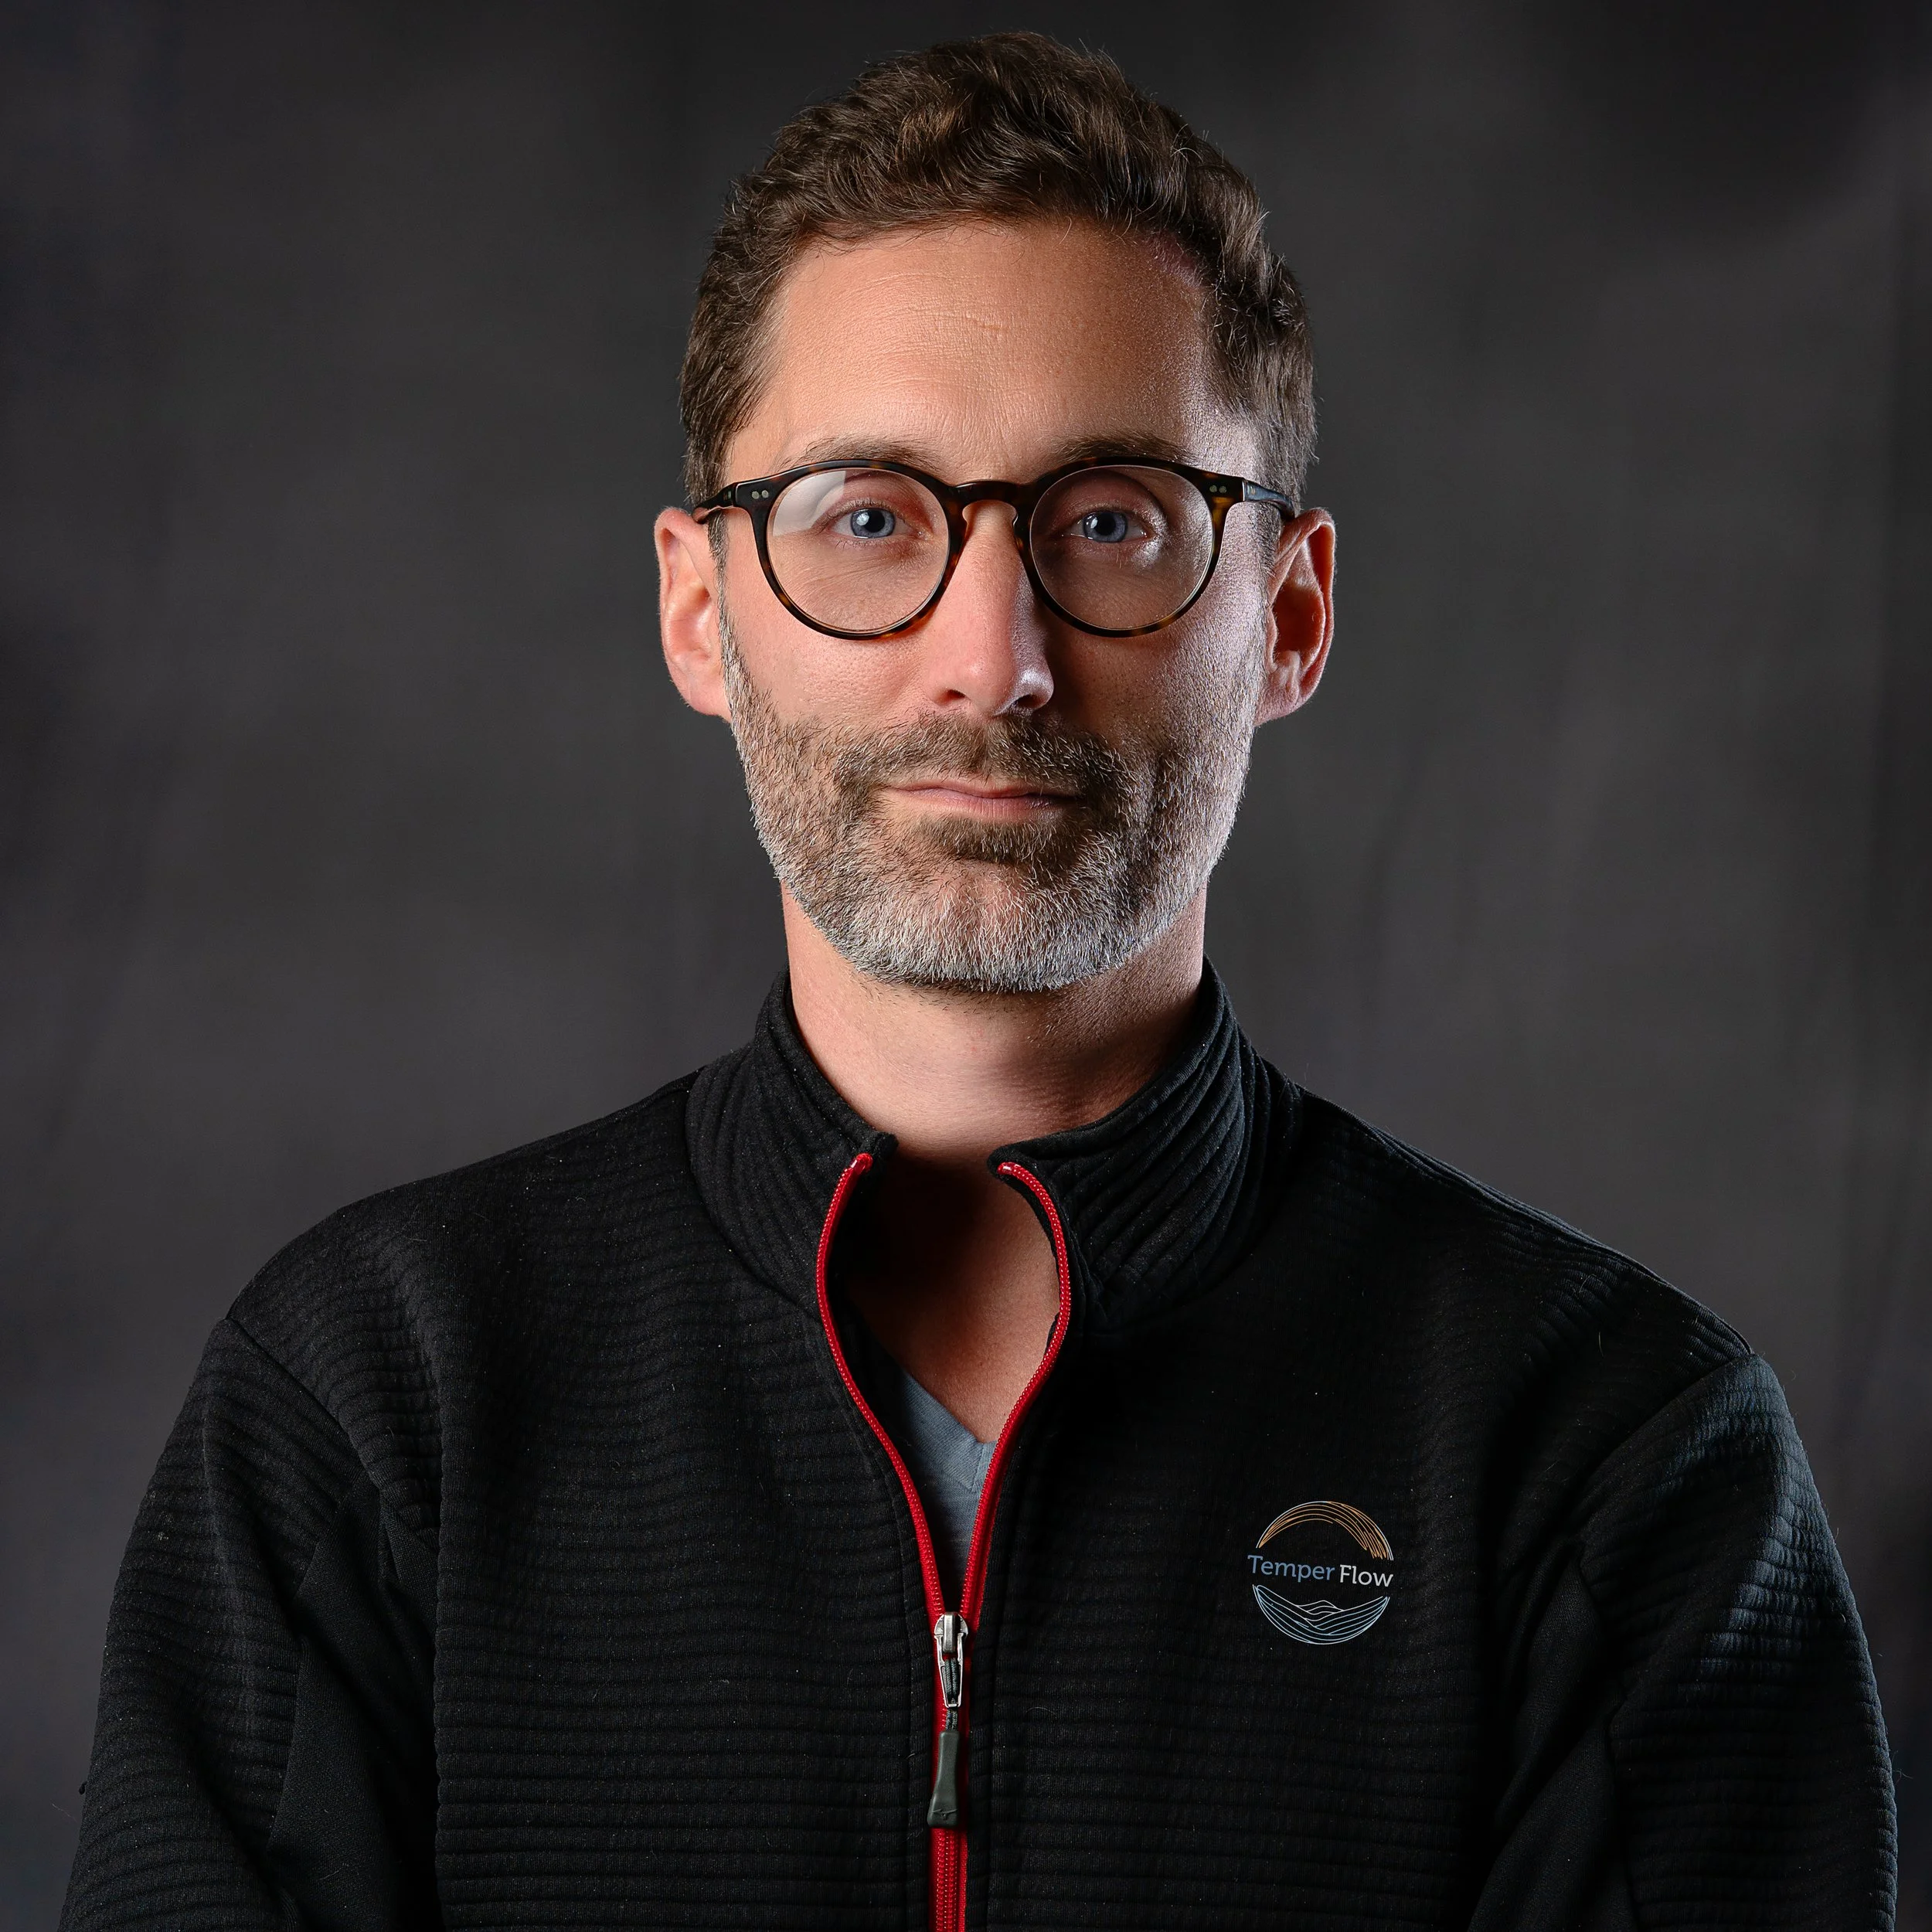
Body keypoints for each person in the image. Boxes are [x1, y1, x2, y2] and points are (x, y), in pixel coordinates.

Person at [62, 32, 1894, 1932]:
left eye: (1110, 520)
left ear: (1287, 614)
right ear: (705, 613)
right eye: (869, 517)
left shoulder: (1608, 1451)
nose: (993, 655)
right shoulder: (377, 1403)